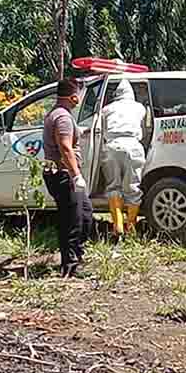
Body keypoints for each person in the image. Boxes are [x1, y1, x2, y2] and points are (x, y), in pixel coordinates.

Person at [43, 78, 92, 278]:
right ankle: (70, 266)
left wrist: (81, 132)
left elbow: (67, 137)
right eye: (80, 93)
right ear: (73, 97)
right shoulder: (63, 117)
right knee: (73, 220)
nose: (80, 97)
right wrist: (76, 175)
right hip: (64, 175)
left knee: (85, 214)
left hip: (62, 174)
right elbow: (65, 146)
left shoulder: (59, 114)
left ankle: (76, 258)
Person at [101, 79, 147, 235]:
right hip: (133, 146)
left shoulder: (107, 109)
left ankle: (118, 226)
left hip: (112, 146)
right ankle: (131, 226)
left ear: (116, 95)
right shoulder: (139, 108)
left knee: (113, 186)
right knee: (133, 187)